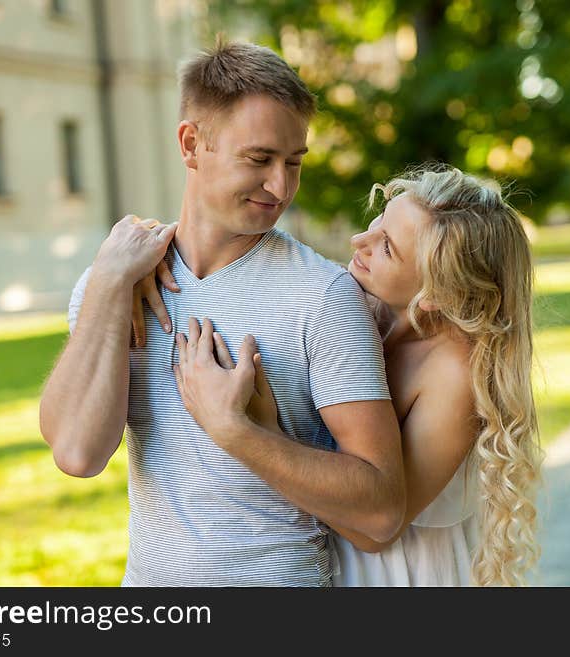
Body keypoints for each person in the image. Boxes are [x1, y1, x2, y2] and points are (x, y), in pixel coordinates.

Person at [38, 41, 406, 587]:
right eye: (259, 159)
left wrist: (238, 431)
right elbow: (76, 452)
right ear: (192, 144)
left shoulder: (322, 295)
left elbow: (382, 510)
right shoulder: (115, 283)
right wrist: (110, 284)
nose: (280, 186)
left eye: (294, 163)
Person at [149, 164, 544, 586]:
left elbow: (373, 527)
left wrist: (258, 430)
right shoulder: (356, 306)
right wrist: (153, 261)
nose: (360, 241)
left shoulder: (454, 374)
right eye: (378, 222)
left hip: (401, 574)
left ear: (437, 294)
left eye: (387, 248)